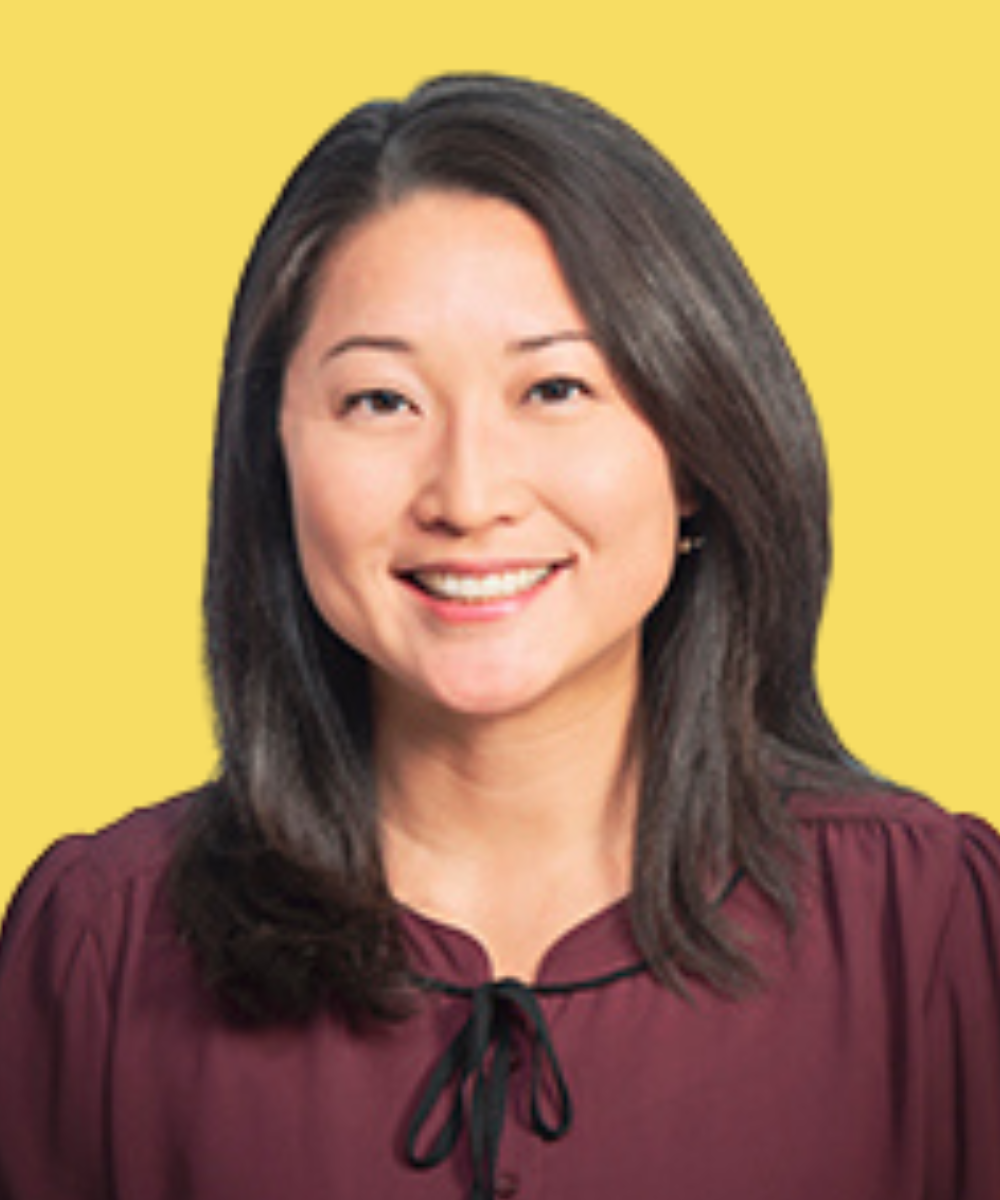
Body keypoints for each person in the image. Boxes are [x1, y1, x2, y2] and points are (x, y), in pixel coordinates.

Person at [0, 73, 997, 1200]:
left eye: (556, 387)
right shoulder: (99, 949)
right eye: (380, 401)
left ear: (698, 452)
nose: (467, 496)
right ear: (271, 461)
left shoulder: (936, 937)